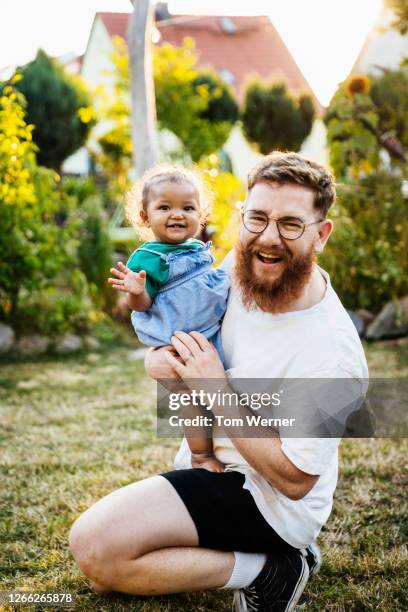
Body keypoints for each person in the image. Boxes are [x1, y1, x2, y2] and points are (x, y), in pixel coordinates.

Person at [70, 152, 368, 612]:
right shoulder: (240, 268)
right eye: (258, 218)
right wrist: (160, 361)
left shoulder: (332, 352)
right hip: (209, 469)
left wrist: (213, 387)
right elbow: (174, 337)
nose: (269, 238)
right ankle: (251, 559)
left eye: (290, 224)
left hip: (266, 501)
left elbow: (295, 480)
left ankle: (275, 569)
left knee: (95, 547)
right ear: (241, 216)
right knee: (107, 574)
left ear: (321, 233)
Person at [108, 165, 229, 473]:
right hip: (182, 343)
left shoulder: (197, 249)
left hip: (212, 333)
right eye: (165, 207)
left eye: (188, 207)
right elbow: (142, 303)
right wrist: (136, 291)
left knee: (227, 392)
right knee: (194, 400)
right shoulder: (149, 257)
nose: (178, 214)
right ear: (145, 217)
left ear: (200, 215)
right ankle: (201, 456)